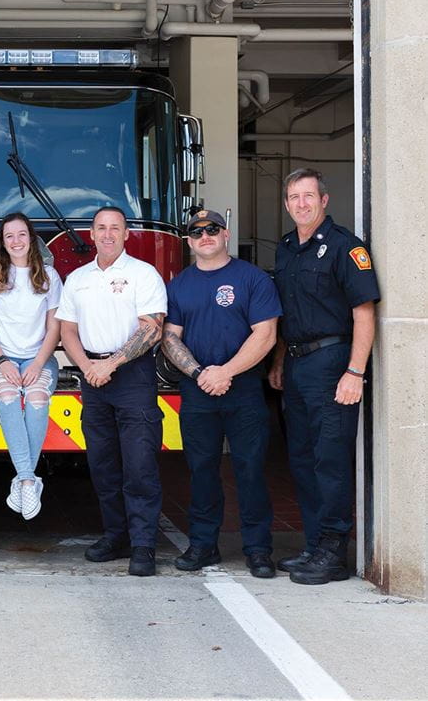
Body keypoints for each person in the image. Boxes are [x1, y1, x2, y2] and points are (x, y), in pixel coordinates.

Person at [268, 168, 380, 585]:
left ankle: (334, 551)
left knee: (329, 460)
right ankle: (315, 545)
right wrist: (280, 359)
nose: (301, 204)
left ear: (324, 200)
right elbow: (288, 312)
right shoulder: (285, 249)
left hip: (333, 362)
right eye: (294, 197)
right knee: (301, 459)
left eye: (308, 196)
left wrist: (355, 370)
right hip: (296, 364)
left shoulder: (346, 248)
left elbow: (363, 312)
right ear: (287, 203)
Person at [162, 209, 281, 578]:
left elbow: (266, 334)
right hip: (197, 389)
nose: (204, 236)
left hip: (243, 387)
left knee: (250, 470)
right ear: (188, 241)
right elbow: (169, 338)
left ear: (225, 234)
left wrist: (225, 372)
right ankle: (203, 545)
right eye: (196, 232)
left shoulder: (253, 278)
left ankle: (258, 550)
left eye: (212, 229)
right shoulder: (179, 286)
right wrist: (201, 373)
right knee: (201, 471)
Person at [57, 206, 167, 576]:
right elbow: (67, 330)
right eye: (100, 228)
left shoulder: (143, 274)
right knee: (103, 465)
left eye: (114, 228)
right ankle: (115, 536)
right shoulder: (77, 278)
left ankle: (143, 546)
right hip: (93, 377)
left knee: (139, 465)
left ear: (125, 234)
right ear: (91, 234)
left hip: (132, 376)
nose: (107, 234)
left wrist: (111, 363)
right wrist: (88, 366)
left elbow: (152, 328)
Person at [0, 212, 61, 521]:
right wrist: (2, 361)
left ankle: (24, 479)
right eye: (9, 236)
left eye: (21, 234)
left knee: (38, 399)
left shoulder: (50, 277)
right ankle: (28, 479)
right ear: (2, 242)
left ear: (31, 238)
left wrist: (39, 363)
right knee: (9, 395)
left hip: (39, 356)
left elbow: (53, 329)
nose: (16, 241)